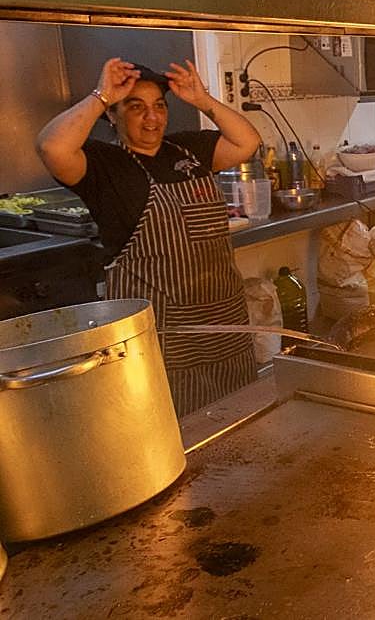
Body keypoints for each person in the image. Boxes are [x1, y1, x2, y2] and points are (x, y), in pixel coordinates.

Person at [36, 58, 264, 417]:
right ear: (112, 116)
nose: (152, 118)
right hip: (160, 340)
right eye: (135, 107)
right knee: (176, 437)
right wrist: (102, 95)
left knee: (239, 427)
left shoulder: (189, 151)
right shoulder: (103, 166)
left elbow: (247, 142)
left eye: (159, 106)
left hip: (224, 327)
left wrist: (204, 100)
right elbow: (52, 147)